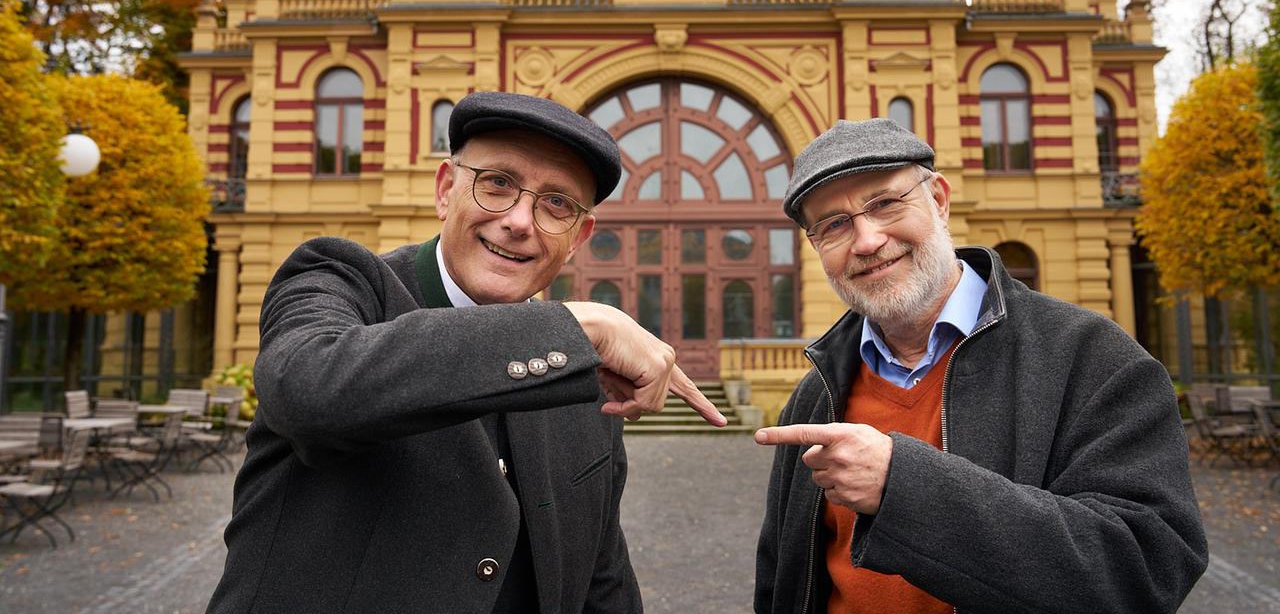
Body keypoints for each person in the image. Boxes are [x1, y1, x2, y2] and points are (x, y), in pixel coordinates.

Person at [207, 91, 725, 614]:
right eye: (498, 183)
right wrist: (575, 327)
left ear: (577, 238)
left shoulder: (586, 379)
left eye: (556, 203)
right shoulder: (338, 279)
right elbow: (307, 390)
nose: (520, 220)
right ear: (445, 190)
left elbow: (601, 581)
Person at [753, 119, 1207, 613]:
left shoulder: (1093, 360)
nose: (866, 240)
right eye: (834, 225)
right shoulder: (817, 393)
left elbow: (1145, 572)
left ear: (940, 200)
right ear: (817, 247)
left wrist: (905, 487)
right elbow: (779, 583)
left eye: (884, 203)